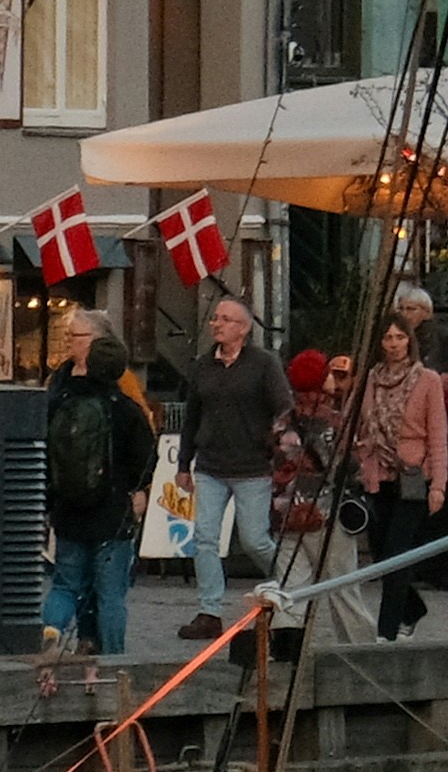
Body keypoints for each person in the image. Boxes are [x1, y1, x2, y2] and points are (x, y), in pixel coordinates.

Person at [37, 304, 155, 691]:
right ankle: (113, 667)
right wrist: (138, 491)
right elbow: (145, 455)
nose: (70, 343)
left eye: (77, 336)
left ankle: (52, 635)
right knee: (111, 594)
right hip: (112, 511)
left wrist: (48, 500)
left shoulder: (59, 393)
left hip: (68, 507)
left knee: (66, 585)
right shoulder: (123, 402)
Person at [170, 294, 294, 636]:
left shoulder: (264, 364)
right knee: (205, 538)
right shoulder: (202, 366)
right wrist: (184, 463)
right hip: (210, 464)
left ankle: (292, 579)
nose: (216, 324)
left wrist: (280, 450)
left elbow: (284, 408)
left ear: (243, 328)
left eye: (225, 319)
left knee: (254, 540)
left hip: (252, 466)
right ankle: (209, 610)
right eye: (215, 319)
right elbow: (192, 416)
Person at [347, 284, 448, 640]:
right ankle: (412, 608)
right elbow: (354, 422)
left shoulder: (426, 381)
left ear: (410, 340)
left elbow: (437, 435)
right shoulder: (370, 380)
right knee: (380, 554)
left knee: (398, 552)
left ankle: (387, 631)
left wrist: (438, 484)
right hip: (378, 473)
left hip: (412, 475)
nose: (393, 344)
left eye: (399, 337)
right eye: (387, 338)